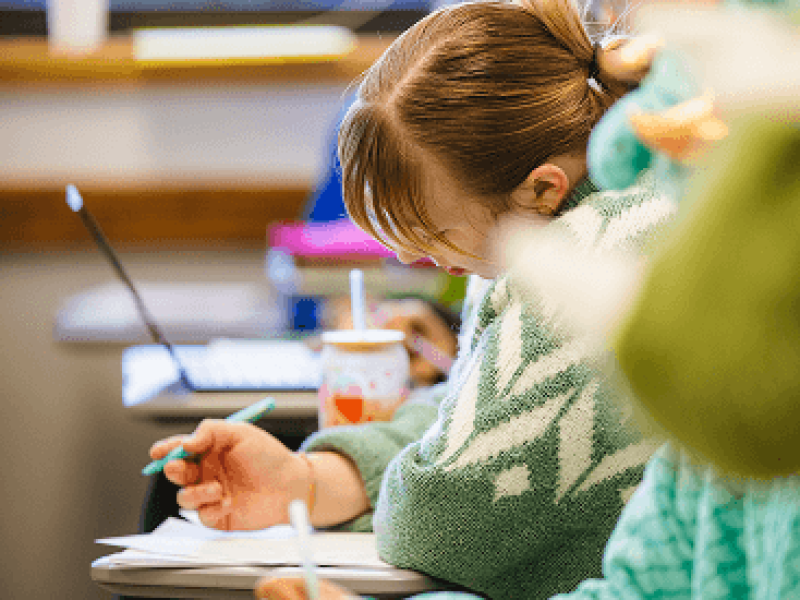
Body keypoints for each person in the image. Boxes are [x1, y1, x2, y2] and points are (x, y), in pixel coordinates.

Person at [148, 0, 678, 597]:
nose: (409, 257)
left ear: (542, 188)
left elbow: (441, 521)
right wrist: (305, 479)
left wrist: (346, 485)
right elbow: (466, 416)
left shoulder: (595, 259)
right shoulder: (542, 226)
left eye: (439, 234)